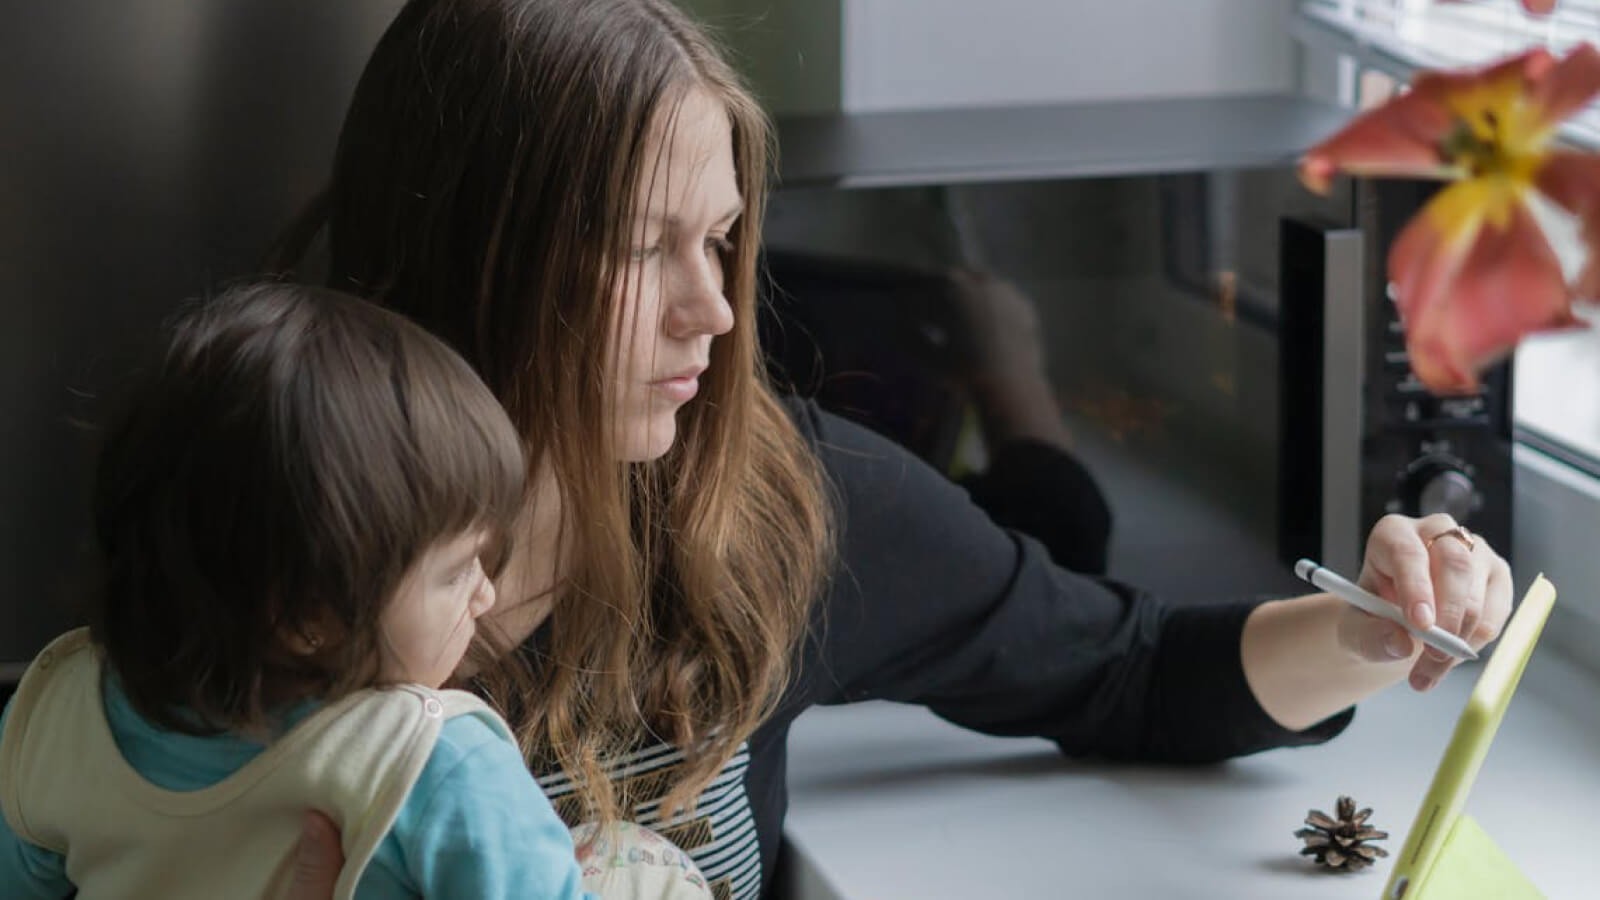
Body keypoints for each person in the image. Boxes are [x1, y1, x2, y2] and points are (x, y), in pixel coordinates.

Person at [270, 1, 1513, 897]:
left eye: (717, 242)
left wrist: (1365, 629)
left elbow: (1126, 668)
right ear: (476, 258)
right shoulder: (269, 547)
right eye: (643, 247)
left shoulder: (773, 501)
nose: (711, 309)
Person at [0, 283, 711, 899]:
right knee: (628, 856)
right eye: (458, 570)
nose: (486, 596)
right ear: (309, 618)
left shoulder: (56, 715)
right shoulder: (431, 763)